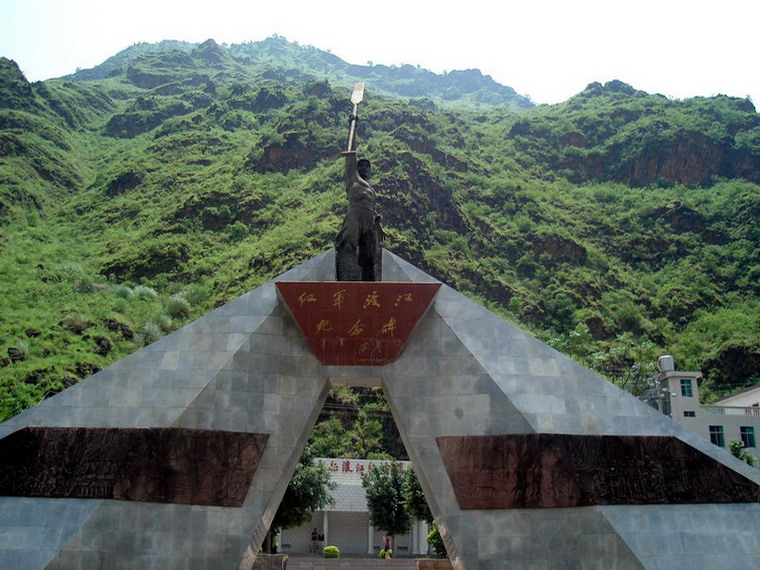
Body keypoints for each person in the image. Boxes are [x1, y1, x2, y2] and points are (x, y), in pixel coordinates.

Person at [335, 115, 384, 281]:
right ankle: (343, 281)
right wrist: (353, 127)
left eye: (367, 166)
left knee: (369, 254)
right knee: (348, 246)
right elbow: (351, 154)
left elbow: (370, 205)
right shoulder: (352, 178)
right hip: (355, 214)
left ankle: (369, 286)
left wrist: (378, 224)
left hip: (369, 218)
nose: (363, 167)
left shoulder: (371, 188)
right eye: (361, 165)